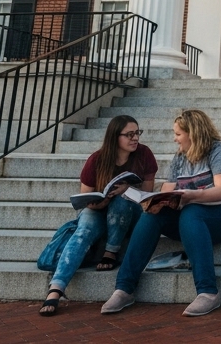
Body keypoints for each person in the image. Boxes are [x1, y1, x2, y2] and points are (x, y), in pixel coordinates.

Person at [101, 109, 221, 318]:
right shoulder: (179, 157)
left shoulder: (219, 150)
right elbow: (167, 192)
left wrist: (188, 196)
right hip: (191, 219)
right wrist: (153, 201)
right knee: (152, 214)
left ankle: (208, 292)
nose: (174, 138)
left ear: (193, 133)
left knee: (192, 212)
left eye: (178, 134)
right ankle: (124, 288)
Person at [40, 115, 157, 316]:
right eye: (129, 134)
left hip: (130, 214)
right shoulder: (96, 159)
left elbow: (147, 197)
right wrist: (100, 203)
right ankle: (55, 289)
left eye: (137, 133)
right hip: (99, 211)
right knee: (83, 230)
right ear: (115, 137)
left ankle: (111, 251)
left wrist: (127, 189)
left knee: (122, 201)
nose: (135, 138)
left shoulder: (144, 154)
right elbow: (85, 197)